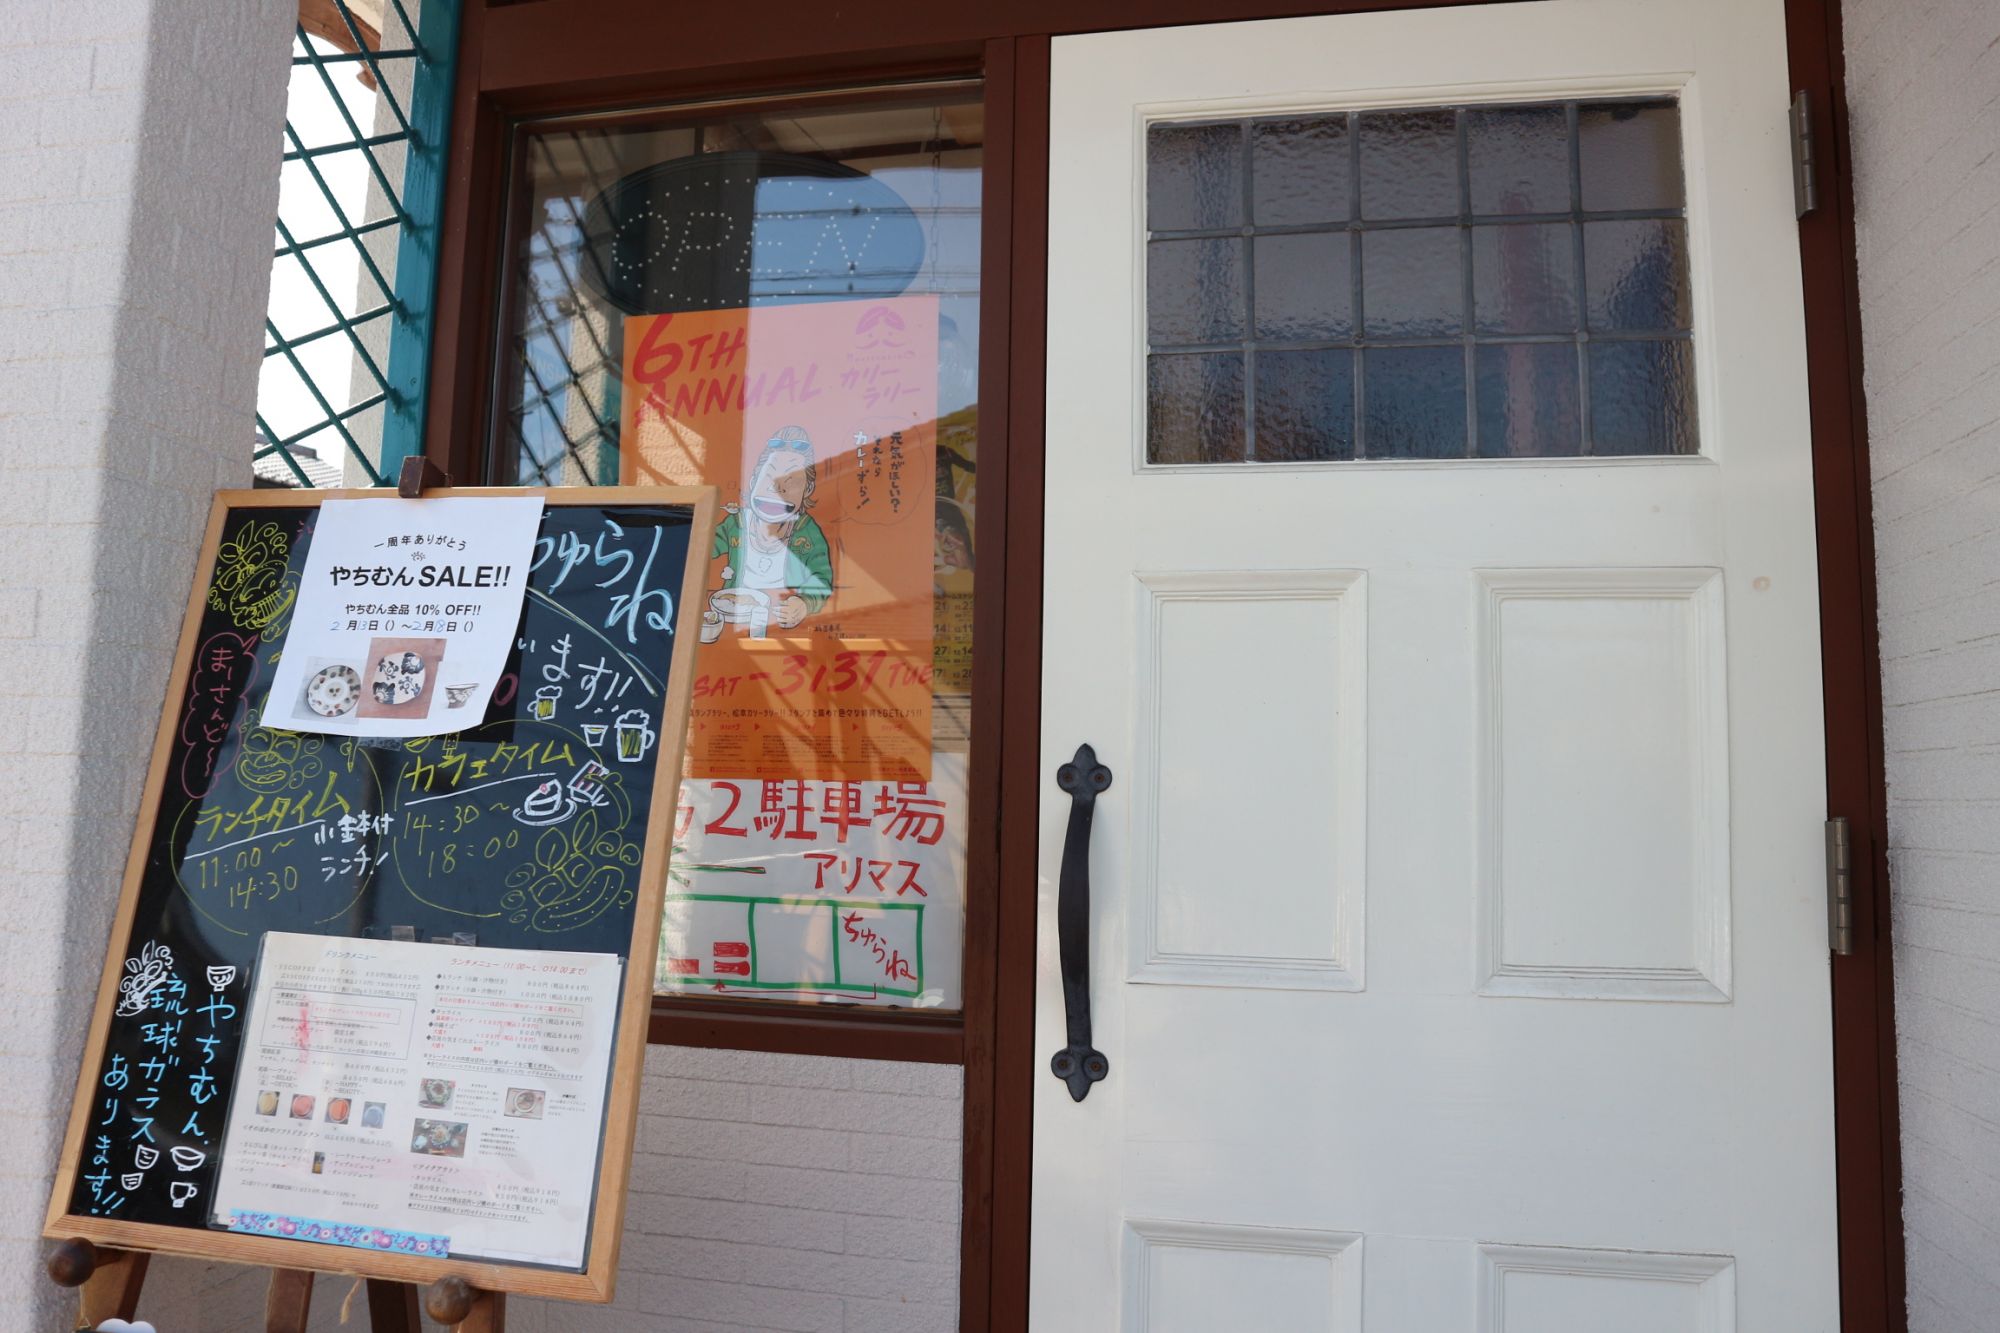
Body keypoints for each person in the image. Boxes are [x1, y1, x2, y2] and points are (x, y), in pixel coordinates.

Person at [703, 426, 834, 641]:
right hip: (732, 626)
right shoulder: (736, 523)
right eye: (769, 476)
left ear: (807, 490)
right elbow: (700, 552)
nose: (777, 489)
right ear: (753, 480)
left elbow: (821, 580)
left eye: (792, 482)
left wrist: (804, 604)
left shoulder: (807, 532)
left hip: (780, 631)